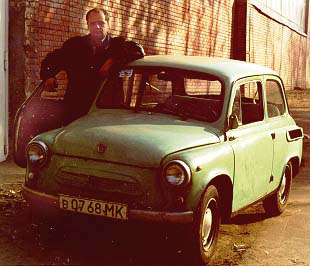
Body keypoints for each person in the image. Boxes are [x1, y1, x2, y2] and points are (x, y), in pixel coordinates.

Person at [40, 7, 144, 123]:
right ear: (88, 26)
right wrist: (49, 76)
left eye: (101, 23)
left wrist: (112, 60)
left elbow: (139, 51)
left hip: (107, 111)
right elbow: (51, 60)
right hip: (76, 110)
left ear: (108, 24)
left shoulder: (117, 45)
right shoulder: (75, 46)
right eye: (93, 23)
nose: (97, 27)